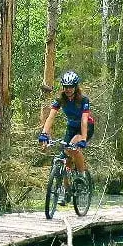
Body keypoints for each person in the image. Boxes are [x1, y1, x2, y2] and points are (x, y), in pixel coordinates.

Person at [39, 71, 92, 203]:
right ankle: (66, 190)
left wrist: (84, 139)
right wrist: (44, 133)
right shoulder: (60, 99)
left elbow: (84, 120)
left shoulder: (83, 100)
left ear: (75, 87)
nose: (67, 89)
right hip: (71, 127)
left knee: (73, 147)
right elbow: (51, 117)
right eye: (65, 86)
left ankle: (82, 176)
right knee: (64, 158)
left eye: (70, 87)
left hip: (85, 127)